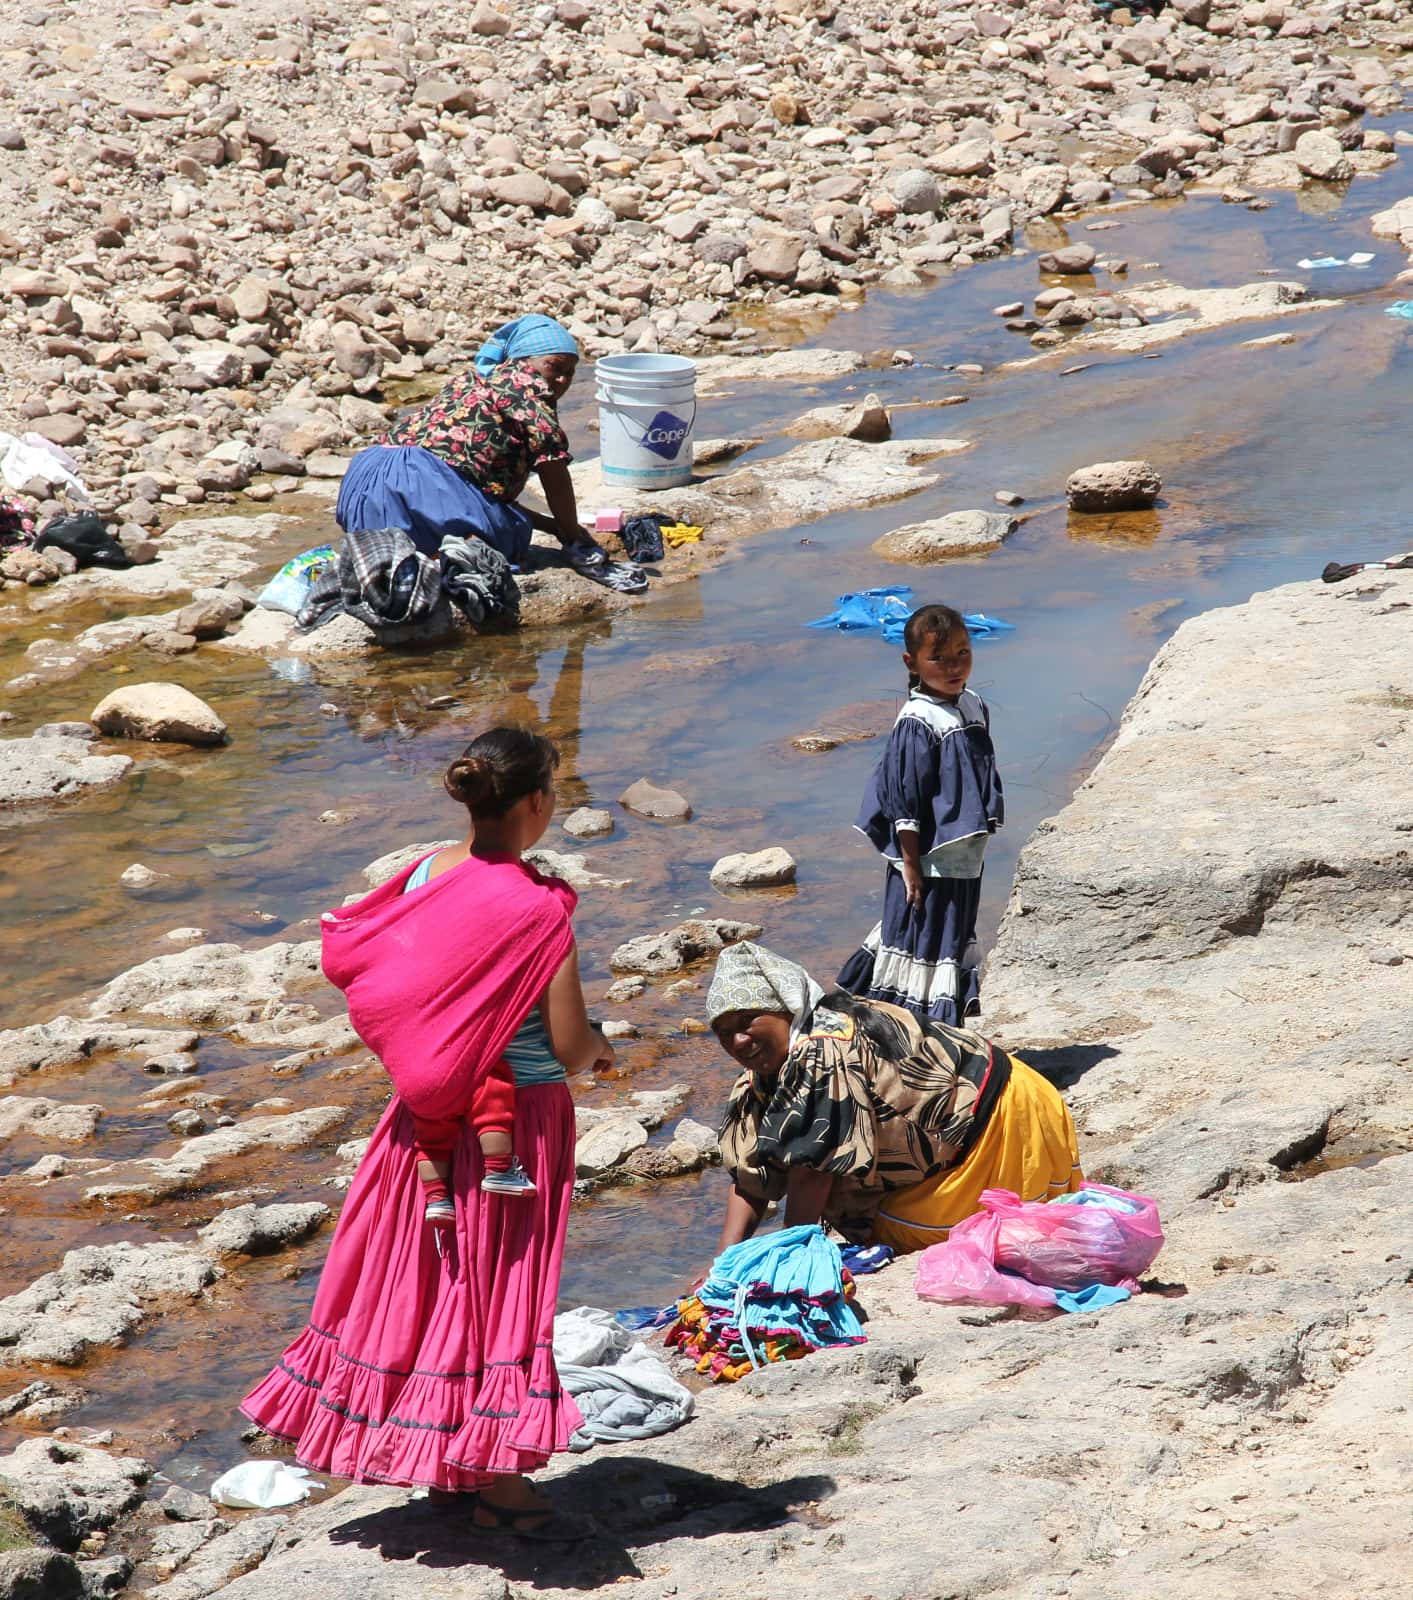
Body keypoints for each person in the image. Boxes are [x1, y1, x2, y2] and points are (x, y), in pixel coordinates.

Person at [240, 726, 612, 1539]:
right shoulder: (537, 907)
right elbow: (569, 1046)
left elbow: (370, 969)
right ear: (539, 804)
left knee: (433, 1283)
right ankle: (500, 1485)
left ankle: (443, 1457)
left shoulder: (417, 871)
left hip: (422, 1123)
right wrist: (605, 1052)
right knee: (503, 1292)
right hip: (517, 1127)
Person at [707, 942, 1081, 1255]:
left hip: (1006, 1124)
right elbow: (751, 1172)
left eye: (748, 1021)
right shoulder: (763, 1072)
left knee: (873, 1224)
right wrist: (724, 1262)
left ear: (786, 1009)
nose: (738, 1042)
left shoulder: (822, 1051)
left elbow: (812, 1172)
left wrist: (788, 1257)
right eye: (723, 1033)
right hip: (988, 1118)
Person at [335, 312, 644, 592]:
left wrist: (556, 527)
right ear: (524, 361)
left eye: (571, 372)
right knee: (508, 537)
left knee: (502, 518)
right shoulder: (525, 386)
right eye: (554, 366)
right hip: (413, 491)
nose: (562, 379)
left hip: (363, 490)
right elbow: (554, 473)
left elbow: (477, 495)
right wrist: (574, 535)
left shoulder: (472, 382)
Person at [837, 602, 1003, 1026]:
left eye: (962, 653)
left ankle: (939, 1034)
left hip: (963, 861)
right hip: (927, 863)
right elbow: (905, 802)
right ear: (911, 662)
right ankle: (900, 1034)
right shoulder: (917, 720)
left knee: (950, 940)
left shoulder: (972, 706)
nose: (953, 666)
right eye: (939, 658)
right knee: (918, 940)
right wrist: (910, 865)